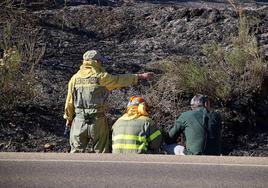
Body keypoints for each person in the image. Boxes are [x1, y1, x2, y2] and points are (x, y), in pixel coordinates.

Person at [63, 50, 154, 153]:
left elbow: (69, 102)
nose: (102, 64)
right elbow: (119, 80)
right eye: (101, 62)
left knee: (75, 154)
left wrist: (68, 118)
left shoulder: (74, 79)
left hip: (79, 121)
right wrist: (140, 76)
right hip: (98, 121)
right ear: (96, 62)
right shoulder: (102, 77)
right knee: (101, 154)